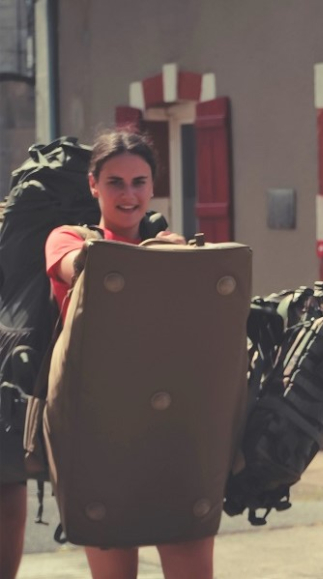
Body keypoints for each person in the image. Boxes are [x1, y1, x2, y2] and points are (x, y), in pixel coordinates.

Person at [43, 129, 210, 579]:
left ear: (153, 187)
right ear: (93, 184)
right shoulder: (67, 238)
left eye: (139, 181)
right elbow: (75, 265)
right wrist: (159, 259)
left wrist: (185, 259)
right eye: (115, 182)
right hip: (101, 433)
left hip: (172, 429)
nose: (129, 194)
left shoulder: (174, 246)